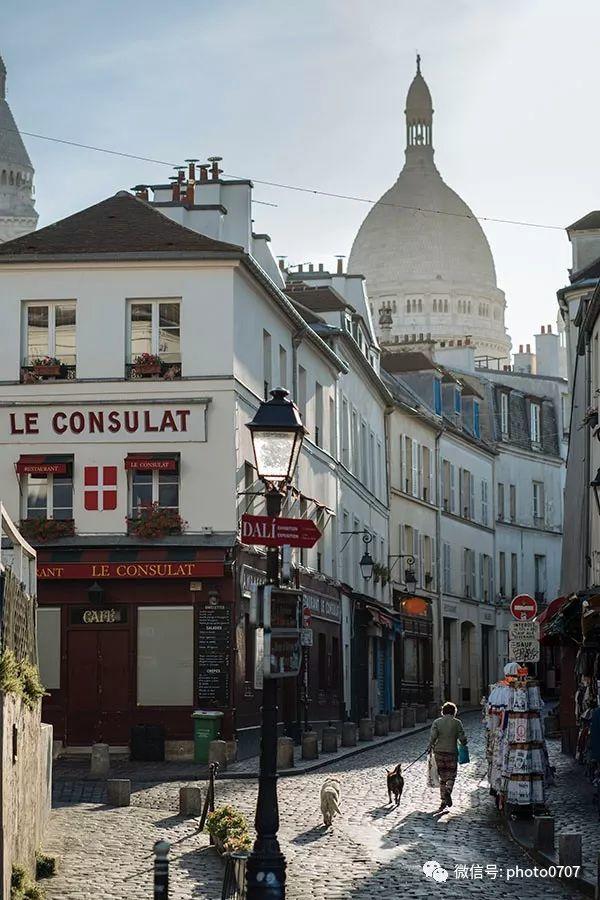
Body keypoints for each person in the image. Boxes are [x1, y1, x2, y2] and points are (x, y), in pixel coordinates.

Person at [428, 701, 468, 811]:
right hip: (452, 752)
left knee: (442, 777)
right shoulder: (457, 723)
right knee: (451, 775)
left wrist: (429, 746)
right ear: (454, 712)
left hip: (439, 752)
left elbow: (433, 736)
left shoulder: (437, 722)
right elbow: (462, 737)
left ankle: (443, 801)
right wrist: (464, 743)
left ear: (443, 711)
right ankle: (448, 791)